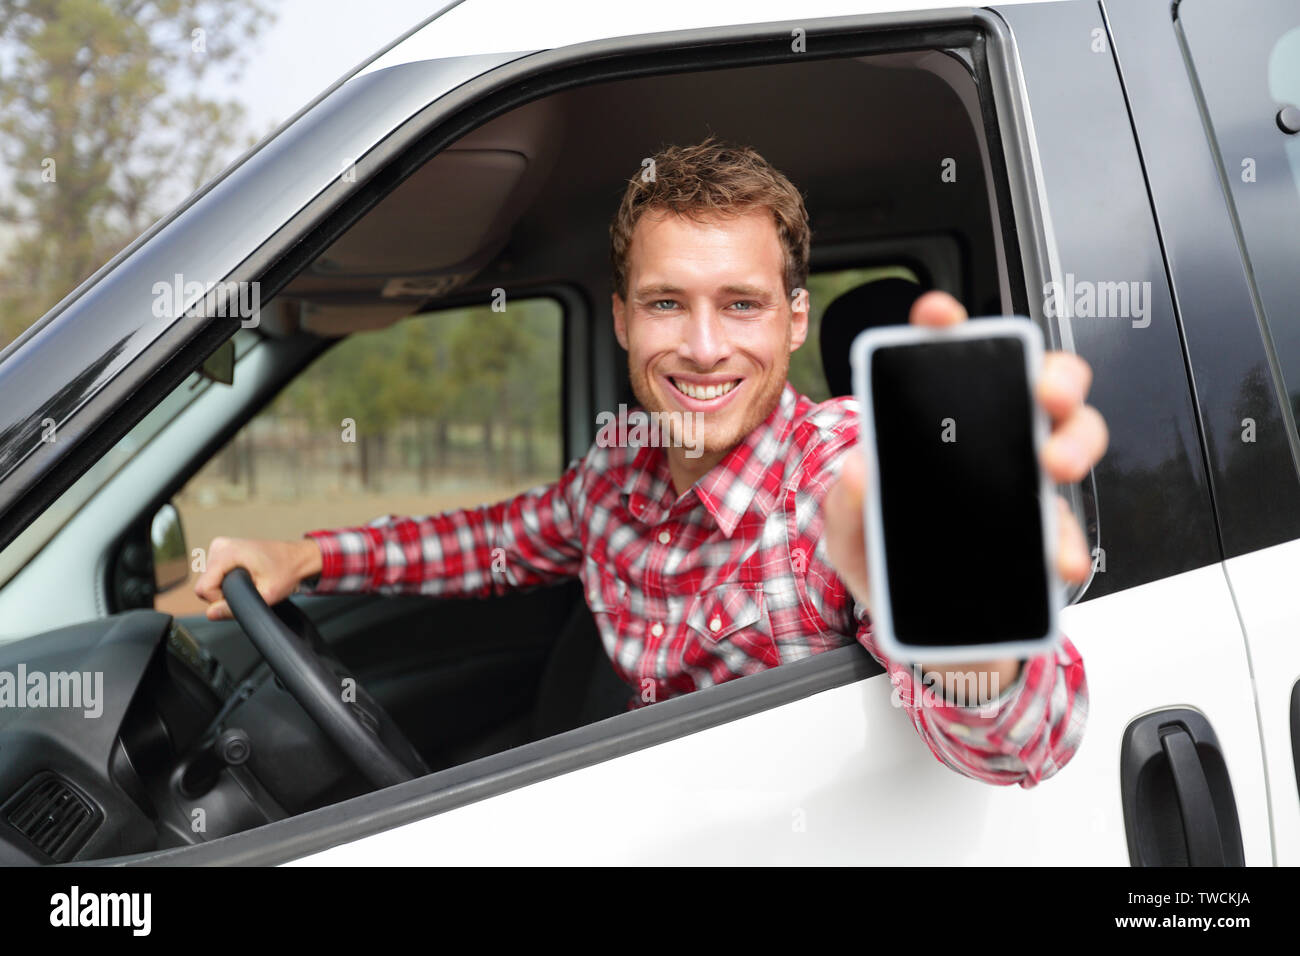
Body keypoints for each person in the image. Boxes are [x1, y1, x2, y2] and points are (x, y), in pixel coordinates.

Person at [195, 137, 1106, 789]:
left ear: (794, 319)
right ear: (624, 319)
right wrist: (306, 556)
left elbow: (1030, 749)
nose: (704, 348)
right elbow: (497, 539)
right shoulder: (619, 466)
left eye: (741, 305)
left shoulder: (842, 477)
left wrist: (971, 634)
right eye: (668, 303)